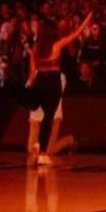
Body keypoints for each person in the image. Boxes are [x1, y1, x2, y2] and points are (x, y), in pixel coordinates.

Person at [26, 14, 92, 168]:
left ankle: (40, 147)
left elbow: (32, 72)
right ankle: (42, 153)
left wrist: (30, 85)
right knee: (48, 117)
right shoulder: (56, 45)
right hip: (52, 81)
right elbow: (75, 35)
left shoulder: (36, 48)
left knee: (43, 118)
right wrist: (87, 20)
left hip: (39, 81)